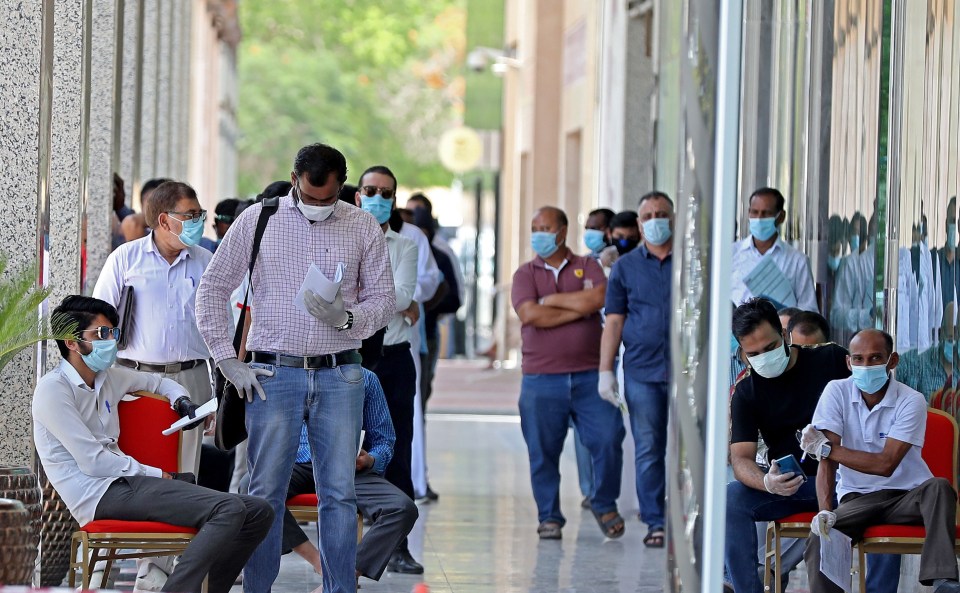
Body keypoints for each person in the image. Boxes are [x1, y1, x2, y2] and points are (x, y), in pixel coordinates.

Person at [195, 143, 395, 593]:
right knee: (264, 493)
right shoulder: (258, 220)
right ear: (294, 180)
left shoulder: (362, 226)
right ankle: (257, 588)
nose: (319, 207)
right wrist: (227, 361)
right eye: (310, 197)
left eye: (328, 199)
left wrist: (347, 319)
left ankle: (340, 589)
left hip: (340, 373)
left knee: (339, 495)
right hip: (273, 375)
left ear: (342, 186)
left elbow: (384, 300)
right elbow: (210, 291)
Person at [32, 295, 273, 593]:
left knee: (259, 510)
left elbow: (157, 382)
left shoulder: (108, 378)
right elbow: (93, 462)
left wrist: (181, 400)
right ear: (71, 341)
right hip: (97, 495)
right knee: (229, 509)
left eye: (113, 333)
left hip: (128, 484)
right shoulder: (53, 390)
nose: (111, 341)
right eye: (101, 334)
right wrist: (161, 475)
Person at [725, 298, 898, 593]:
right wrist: (767, 482)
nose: (764, 358)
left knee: (885, 498)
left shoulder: (830, 360)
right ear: (742, 353)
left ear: (785, 337)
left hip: (852, 479)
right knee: (731, 498)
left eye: (769, 348)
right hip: (796, 484)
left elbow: (881, 406)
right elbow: (741, 459)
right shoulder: (746, 391)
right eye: (754, 354)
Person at [92, 180, 215, 590]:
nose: (199, 222)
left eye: (201, 215)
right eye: (190, 216)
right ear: (164, 219)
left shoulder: (205, 262)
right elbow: (98, 324)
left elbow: (221, 327)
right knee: (135, 473)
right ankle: (113, 562)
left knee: (184, 480)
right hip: (135, 383)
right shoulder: (125, 260)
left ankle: (159, 577)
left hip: (192, 380)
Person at [800, 329, 960, 593]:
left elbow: (885, 464)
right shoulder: (836, 392)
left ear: (892, 361)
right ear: (849, 362)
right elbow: (825, 462)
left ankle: (944, 581)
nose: (866, 365)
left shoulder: (911, 400)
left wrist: (827, 449)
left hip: (907, 497)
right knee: (821, 536)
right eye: (859, 359)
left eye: (875, 358)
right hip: (857, 498)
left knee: (940, 487)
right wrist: (825, 510)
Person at [511, 206, 626, 541]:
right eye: (534, 227)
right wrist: (577, 307)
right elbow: (530, 315)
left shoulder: (588, 265)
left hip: (590, 376)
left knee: (608, 438)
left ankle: (604, 503)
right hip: (540, 378)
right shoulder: (525, 273)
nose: (538, 234)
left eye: (544, 227)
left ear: (562, 232)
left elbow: (600, 298)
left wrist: (552, 301)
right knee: (542, 451)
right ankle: (549, 516)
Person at [282, 369, 418, 584]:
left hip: (347, 465)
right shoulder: (288, 374)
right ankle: (320, 563)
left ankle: (343, 577)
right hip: (294, 463)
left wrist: (370, 460)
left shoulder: (365, 378)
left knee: (402, 508)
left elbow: (384, 441)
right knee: (256, 492)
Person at [353, 165, 424, 574]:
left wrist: (353, 299)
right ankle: (342, 540)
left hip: (392, 358)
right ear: (357, 193)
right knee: (338, 448)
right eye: (370, 189)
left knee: (395, 449)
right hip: (347, 357)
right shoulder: (339, 234)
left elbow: (401, 295)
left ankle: (398, 545)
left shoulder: (405, 245)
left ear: (394, 199)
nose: (378, 197)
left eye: (386, 192)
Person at [598, 191, 673, 547]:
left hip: (689, 372)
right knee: (648, 448)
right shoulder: (626, 267)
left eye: (662, 213)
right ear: (639, 224)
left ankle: (693, 518)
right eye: (649, 215)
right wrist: (605, 370)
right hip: (642, 371)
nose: (656, 220)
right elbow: (614, 322)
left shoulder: (693, 263)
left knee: (694, 448)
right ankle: (656, 522)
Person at [731, 187, 818, 312]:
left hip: (778, 330)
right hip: (736, 330)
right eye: (754, 212)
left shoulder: (798, 261)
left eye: (766, 213)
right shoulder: (731, 254)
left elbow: (809, 311)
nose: (759, 218)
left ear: (781, 217)